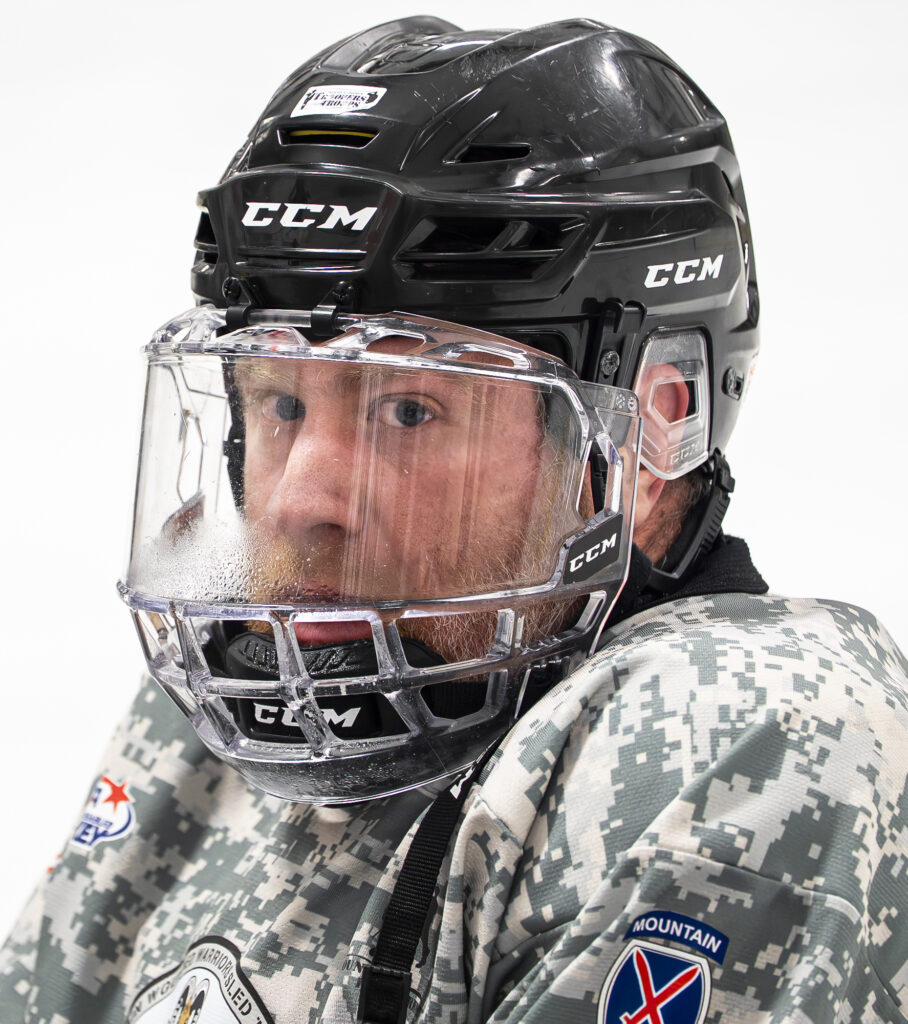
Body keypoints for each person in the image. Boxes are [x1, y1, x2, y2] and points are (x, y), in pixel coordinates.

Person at [2, 16, 905, 1024]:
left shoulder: (740, 741)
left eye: (408, 411)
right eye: (280, 404)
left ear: (655, 423)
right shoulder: (227, 706)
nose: (300, 499)